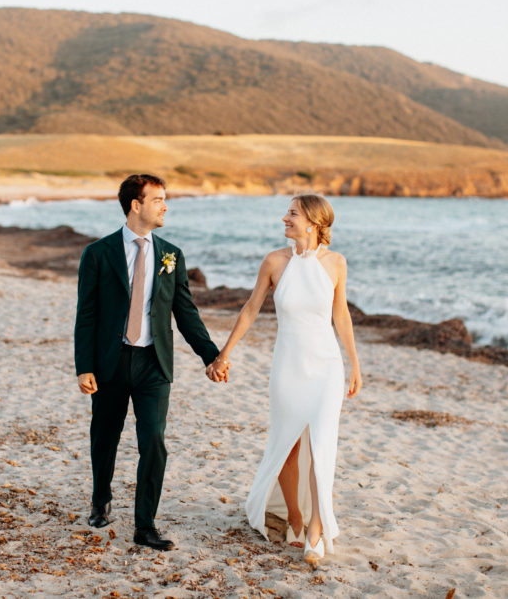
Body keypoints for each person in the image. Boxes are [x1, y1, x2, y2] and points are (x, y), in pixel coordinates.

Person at [74, 173, 228, 551]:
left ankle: (145, 525)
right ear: (136, 205)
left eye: (165, 199)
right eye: (158, 199)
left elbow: (185, 313)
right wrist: (84, 366)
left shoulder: (171, 255)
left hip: (154, 365)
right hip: (110, 363)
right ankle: (101, 498)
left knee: (154, 442)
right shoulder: (98, 253)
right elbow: (87, 315)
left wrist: (212, 355)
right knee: (104, 436)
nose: (165, 205)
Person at [208, 194, 362, 567]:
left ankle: (314, 528)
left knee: (322, 445)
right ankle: (294, 515)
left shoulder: (337, 263)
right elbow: (251, 309)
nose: (284, 219)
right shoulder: (275, 262)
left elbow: (341, 316)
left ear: (312, 221)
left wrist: (355, 365)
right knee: (288, 444)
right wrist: (224, 353)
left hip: (326, 366)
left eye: (292, 214)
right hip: (288, 365)